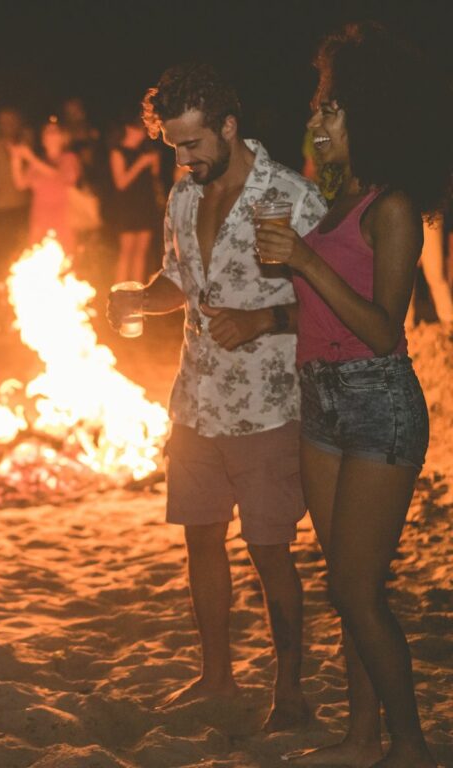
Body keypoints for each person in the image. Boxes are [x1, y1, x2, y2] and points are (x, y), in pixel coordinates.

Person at [108, 62, 328, 731]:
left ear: (229, 128)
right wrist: (146, 299)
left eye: (194, 143)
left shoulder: (292, 196)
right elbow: (182, 278)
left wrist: (265, 320)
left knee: (269, 552)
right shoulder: (182, 194)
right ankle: (217, 677)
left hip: (268, 407)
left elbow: (336, 305)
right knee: (201, 540)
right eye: (174, 145)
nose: (184, 157)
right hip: (195, 402)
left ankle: (289, 691)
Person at [256, 22, 449, 766]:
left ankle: (410, 743)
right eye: (318, 107)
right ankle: (361, 738)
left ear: (373, 112)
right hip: (323, 401)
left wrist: (304, 257)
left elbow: (381, 329)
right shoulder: (343, 204)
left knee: (358, 591)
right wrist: (264, 315)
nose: (317, 119)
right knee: (346, 587)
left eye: (331, 107)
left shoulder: (391, 208)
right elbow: (321, 312)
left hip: (378, 405)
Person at [10, 119, 81, 255]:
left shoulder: (69, 158)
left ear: (63, 138)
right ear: (43, 140)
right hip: (40, 218)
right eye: (47, 132)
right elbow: (20, 184)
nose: (51, 135)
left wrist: (30, 157)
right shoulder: (37, 163)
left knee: (64, 257)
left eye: (55, 131)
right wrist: (16, 159)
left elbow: (60, 176)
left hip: (63, 218)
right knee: (38, 255)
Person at [109, 119, 163, 284]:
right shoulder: (118, 152)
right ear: (128, 128)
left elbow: (154, 177)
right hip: (127, 207)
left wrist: (154, 163)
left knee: (141, 252)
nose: (141, 134)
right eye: (137, 129)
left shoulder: (145, 151)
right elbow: (121, 182)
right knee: (127, 252)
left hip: (145, 205)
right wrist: (140, 164)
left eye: (143, 130)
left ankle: (136, 293)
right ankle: (120, 291)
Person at [0, 108, 30, 276]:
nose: (6, 125)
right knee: (1, 248)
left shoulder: (25, 147)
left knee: (20, 247)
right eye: (2, 122)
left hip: (20, 205)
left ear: (17, 124)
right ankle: (2, 283)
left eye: (10, 122)